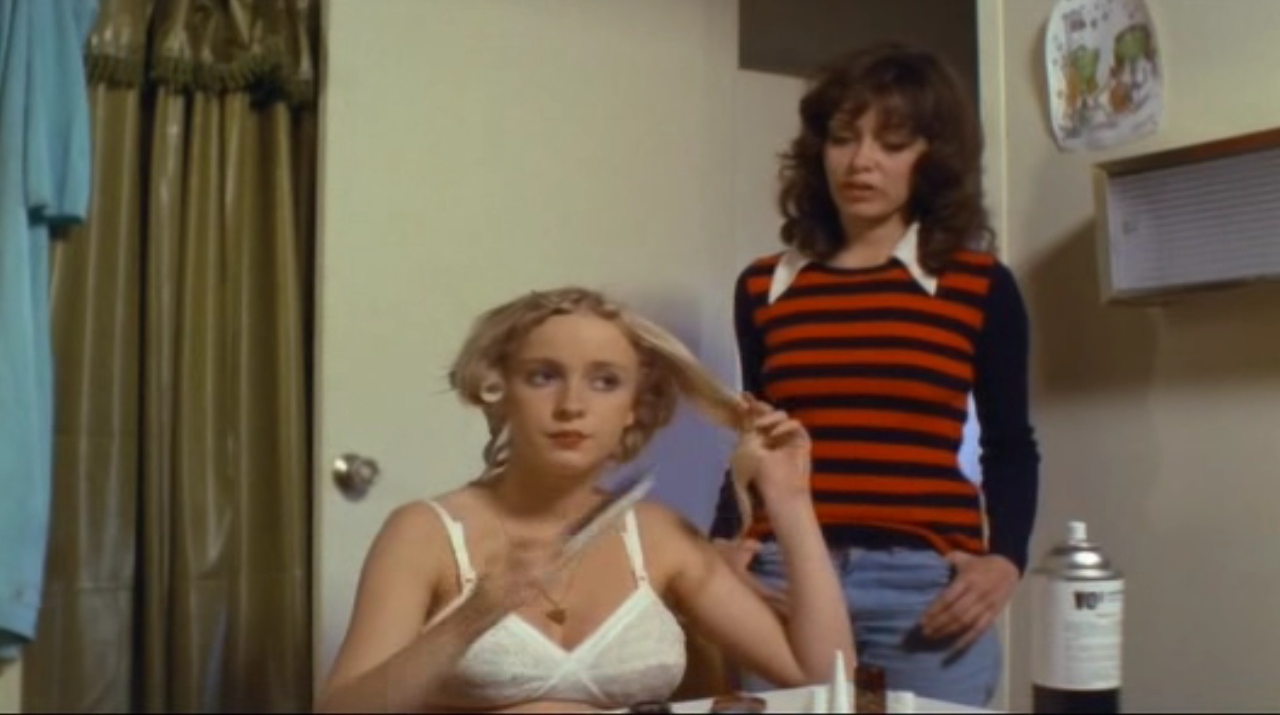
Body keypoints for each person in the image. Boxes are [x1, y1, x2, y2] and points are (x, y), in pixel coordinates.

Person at [316, 287, 855, 714]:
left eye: (605, 381)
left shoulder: (660, 537)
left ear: (634, 407)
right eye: (543, 376)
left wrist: (790, 500)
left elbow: (824, 677)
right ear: (501, 391)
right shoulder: (425, 532)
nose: (571, 404)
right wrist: (474, 616)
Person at [709, 42, 1041, 708]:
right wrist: (720, 545)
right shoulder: (764, 287)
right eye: (843, 138)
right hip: (785, 575)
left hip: (924, 589)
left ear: (931, 157)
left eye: (892, 142)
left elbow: (1010, 443)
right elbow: (758, 439)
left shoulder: (978, 285)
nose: (861, 161)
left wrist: (1007, 558)